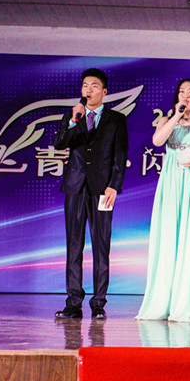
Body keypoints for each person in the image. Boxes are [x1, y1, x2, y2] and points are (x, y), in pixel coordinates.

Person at [136, 79, 190, 321]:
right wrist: (175, 116)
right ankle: (163, 302)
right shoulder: (167, 120)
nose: (186, 95)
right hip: (171, 182)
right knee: (168, 237)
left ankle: (188, 301)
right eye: (182, 92)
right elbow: (157, 141)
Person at [53, 68, 129, 320]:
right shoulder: (72, 116)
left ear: (104, 91)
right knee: (74, 245)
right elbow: (59, 144)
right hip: (75, 187)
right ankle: (73, 303)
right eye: (85, 85)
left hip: (102, 189)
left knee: (101, 245)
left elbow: (120, 156)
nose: (88, 89)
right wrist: (74, 121)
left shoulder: (116, 119)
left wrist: (114, 185)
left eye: (94, 85)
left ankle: (98, 303)